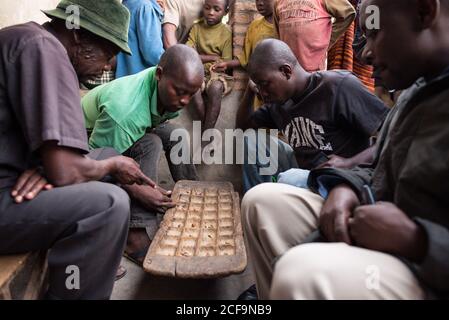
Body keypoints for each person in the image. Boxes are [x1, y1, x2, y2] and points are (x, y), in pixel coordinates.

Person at [242, 0, 449, 300]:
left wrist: (418, 241)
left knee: (299, 274)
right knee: (259, 202)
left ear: (424, 11)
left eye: (375, 34)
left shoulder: (338, 86)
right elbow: (381, 162)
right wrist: (347, 187)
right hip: (369, 212)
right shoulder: (416, 92)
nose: (364, 52)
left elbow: (372, 144)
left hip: (425, 266)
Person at [0, 0, 154, 299]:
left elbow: (60, 165)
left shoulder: (31, 39)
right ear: (79, 37)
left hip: (13, 183)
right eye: (107, 55)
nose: (108, 66)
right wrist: (105, 167)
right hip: (6, 195)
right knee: (109, 204)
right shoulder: (44, 49)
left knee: (105, 155)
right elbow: (66, 171)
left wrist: (49, 168)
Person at [82, 44, 204, 265]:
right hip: (88, 144)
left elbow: (157, 117)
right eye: (180, 92)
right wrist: (140, 190)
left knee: (175, 134)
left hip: (125, 128)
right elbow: (97, 161)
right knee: (151, 144)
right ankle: (134, 235)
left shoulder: (167, 84)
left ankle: (191, 192)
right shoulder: (124, 113)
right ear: (159, 74)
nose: (185, 101)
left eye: (191, 94)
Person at [237, 39, 388, 193]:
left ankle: (267, 200)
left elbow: (391, 135)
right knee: (252, 142)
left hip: (339, 177)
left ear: (286, 71)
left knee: (289, 179)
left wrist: (349, 163)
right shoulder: (278, 103)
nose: (262, 93)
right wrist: (250, 91)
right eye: (258, 86)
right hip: (303, 170)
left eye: (265, 84)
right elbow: (243, 126)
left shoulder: (338, 86)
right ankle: (259, 200)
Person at [215, 0, 278, 110]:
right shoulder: (254, 27)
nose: (260, 3)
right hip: (259, 86)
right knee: (262, 120)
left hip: (279, 85)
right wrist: (227, 64)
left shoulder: (282, 25)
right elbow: (246, 58)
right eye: (257, 0)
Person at [186, 0, 233, 130]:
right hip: (198, 71)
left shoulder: (226, 32)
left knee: (215, 88)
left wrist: (201, 58)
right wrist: (212, 57)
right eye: (207, 8)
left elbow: (225, 61)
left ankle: (206, 135)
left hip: (217, 74)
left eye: (216, 9)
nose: (211, 13)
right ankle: (207, 133)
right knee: (193, 88)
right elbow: (188, 54)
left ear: (225, 12)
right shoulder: (196, 28)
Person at [274, 0, 356, 72]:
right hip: (289, 69)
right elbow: (278, 33)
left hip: (314, 70)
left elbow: (348, 13)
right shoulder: (278, 2)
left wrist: (328, 38)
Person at [115, 0, 165, 78]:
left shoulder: (126, 4)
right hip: (141, 81)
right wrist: (171, 62)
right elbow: (153, 54)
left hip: (124, 78)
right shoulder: (145, 7)